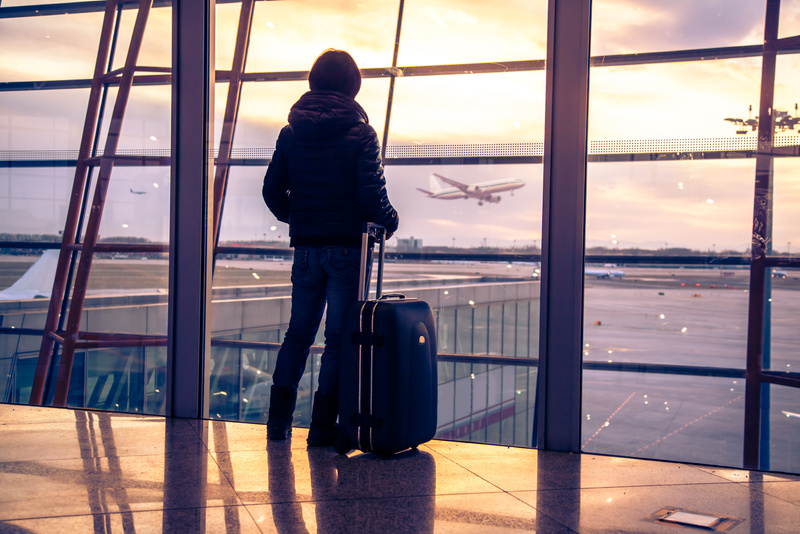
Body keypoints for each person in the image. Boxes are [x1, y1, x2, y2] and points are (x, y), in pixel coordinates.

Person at [262, 49, 400, 446]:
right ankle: (321, 429)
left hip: (305, 248)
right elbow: (372, 195)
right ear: (352, 86)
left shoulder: (291, 133)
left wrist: (300, 219)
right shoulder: (360, 133)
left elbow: (272, 191)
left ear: (313, 81)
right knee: (338, 339)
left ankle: (277, 425)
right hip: (345, 249)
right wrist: (390, 220)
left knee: (298, 335)